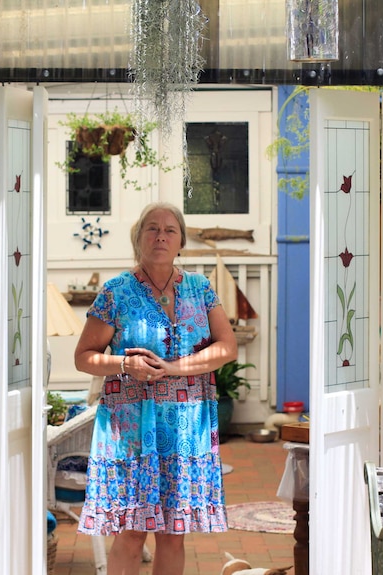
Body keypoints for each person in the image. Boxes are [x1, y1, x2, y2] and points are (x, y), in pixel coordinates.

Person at [74, 202, 238, 575]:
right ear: (138, 237)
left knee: (173, 532)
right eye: (152, 228)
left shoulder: (200, 288)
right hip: (131, 429)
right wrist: (123, 364)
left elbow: (226, 347)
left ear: (180, 241)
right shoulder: (116, 292)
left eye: (169, 230)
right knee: (131, 529)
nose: (161, 236)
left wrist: (175, 368)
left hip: (185, 428)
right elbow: (84, 356)